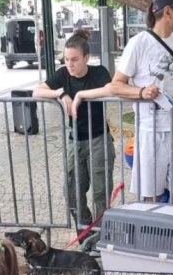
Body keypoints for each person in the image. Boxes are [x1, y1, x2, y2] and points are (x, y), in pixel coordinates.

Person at [111, 0, 173, 205]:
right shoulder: (139, 42)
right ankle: (153, 237)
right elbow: (116, 85)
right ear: (167, 11)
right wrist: (141, 92)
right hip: (151, 131)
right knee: (152, 196)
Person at [34, 29, 115, 229]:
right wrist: (60, 94)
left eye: (75, 59)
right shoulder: (63, 74)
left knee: (100, 192)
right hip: (75, 140)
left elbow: (111, 88)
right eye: (66, 59)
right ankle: (85, 230)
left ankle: (102, 233)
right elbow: (37, 90)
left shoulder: (99, 72)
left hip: (98, 139)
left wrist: (80, 95)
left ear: (86, 58)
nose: (70, 64)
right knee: (72, 191)